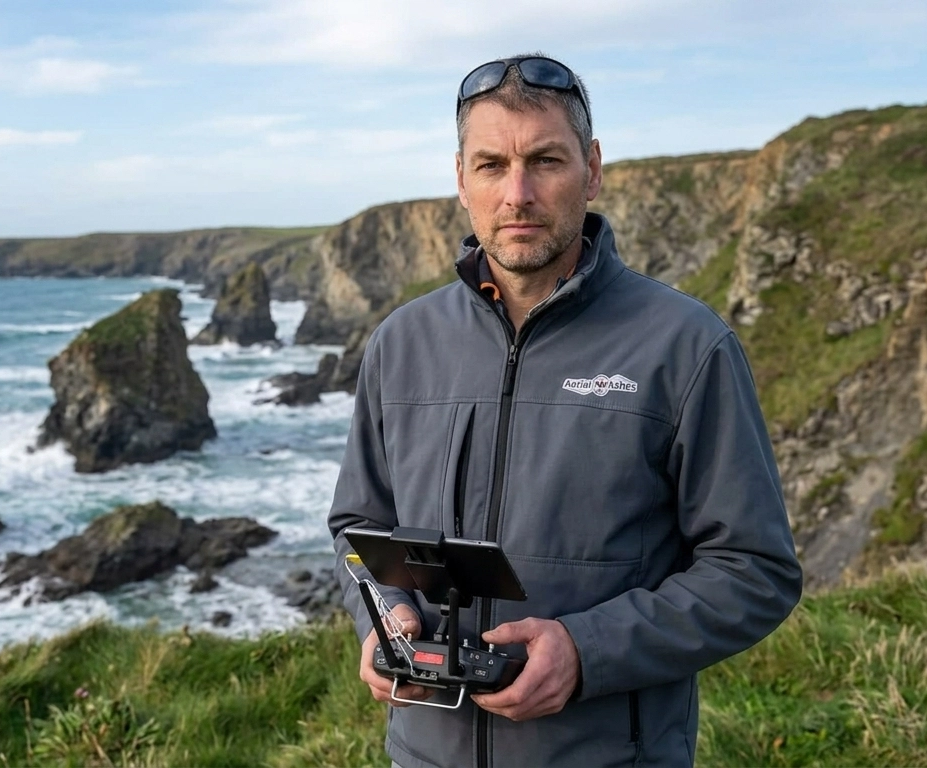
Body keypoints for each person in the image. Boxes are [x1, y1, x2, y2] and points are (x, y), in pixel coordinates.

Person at [327, 53, 802, 768]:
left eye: (545, 160)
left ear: (593, 168)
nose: (517, 194)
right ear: (461, 179)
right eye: (491, 165)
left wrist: (586, 652)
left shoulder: (685, 345)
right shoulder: (402, 342)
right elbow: (358, 528)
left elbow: (754, 569)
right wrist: (386, 616)